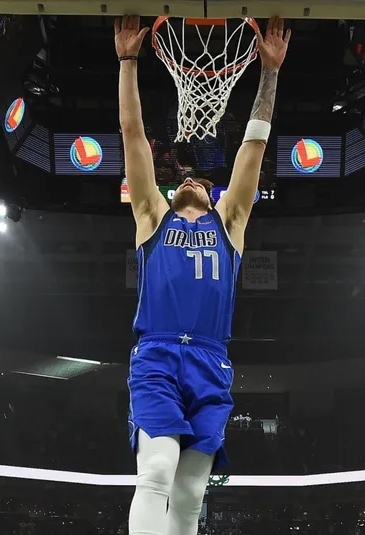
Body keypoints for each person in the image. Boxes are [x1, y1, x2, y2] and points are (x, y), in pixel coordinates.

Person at [114, 14, 291, 535]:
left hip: (212, 360)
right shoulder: (152, 215)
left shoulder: (229, 222)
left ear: (215, 198)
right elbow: (133, 135)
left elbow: (254, 147)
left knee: (191, 493)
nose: (193, 179)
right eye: (184, 178)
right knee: (157, 472)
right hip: (159, 354)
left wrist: (270, 73)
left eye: (204, 181)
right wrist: (128, 62)